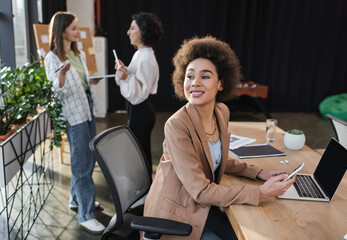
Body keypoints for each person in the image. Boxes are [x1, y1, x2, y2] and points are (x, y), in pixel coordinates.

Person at [143, 36, 296, 239]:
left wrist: (259, 174)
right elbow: (201, 191)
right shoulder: (177, 125)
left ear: (221, 83)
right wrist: (260, 193)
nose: (195, 83)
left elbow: (216, 157)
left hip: (203, 206)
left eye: (205, 77)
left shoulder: (221, 112)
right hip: (178, 212)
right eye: (190, 76)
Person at [44, 12, 105, 234]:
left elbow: (81, 83)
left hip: (87, 110)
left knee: (85, 158)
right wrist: (60, 78)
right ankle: (85, 215)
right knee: (82, 164)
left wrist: (91, 80)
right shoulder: (52, 58)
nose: (78, 32)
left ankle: (75, 200)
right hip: (74, 117)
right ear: (61, 32)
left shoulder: (75, 53)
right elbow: (55, 95)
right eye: (74, 29)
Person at [114, 12, 163, 177]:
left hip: (140, 111)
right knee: (139, 153)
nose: (128, 32)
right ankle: (142, 191)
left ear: (143, 31)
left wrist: (126, 76)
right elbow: (137, 82)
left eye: (132, 28)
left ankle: (143, 194)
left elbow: (140, 94)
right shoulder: (140, 54)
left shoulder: (146, 58)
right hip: (138, 111)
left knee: (140, 154)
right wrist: (126, 71)